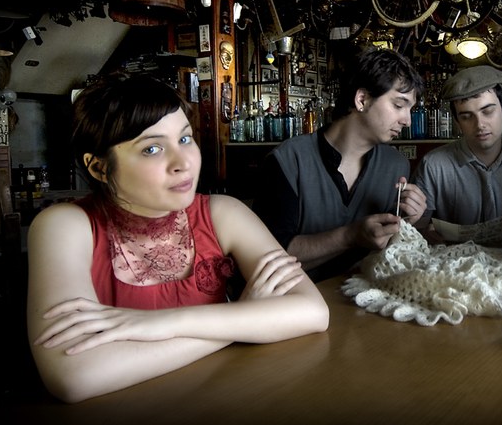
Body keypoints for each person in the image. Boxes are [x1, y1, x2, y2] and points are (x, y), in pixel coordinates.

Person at [26, 73, 329, 404]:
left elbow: (312, 312)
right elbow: (75, 376)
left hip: (225, 401)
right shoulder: (65, 226)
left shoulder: (223, 213)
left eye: (185, 139)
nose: (183, 163)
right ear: (99, 168)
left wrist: (161, 324)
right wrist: (242, 318)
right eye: (152, 148)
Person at [251, 47, 428, 280]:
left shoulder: (396, 166)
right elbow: (267, 256)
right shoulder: (289, 161)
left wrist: (406, 221)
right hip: (296, 297)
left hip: (367, 294)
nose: (407, 120)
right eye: (398, 105)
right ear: (362, 99)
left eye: (410, 109)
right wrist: (350, 236)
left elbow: (390, 253)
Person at [411, 65, 502, 245]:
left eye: (488, 111)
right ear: (457, 122)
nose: (480, 124)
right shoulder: (433, 165)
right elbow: (414, 230)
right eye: (466, 116)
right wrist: (424, 234)